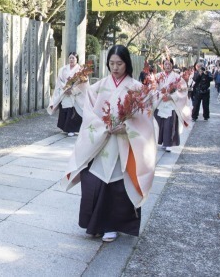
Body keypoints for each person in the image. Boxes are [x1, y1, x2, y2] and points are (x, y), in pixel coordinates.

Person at [61, 45, 156, 243]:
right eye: (111, 63)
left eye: (119, 63)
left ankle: (112, 225)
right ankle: (95, 224)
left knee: (118, 182)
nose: (115, 67)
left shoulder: (137, 89)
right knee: (95, 180)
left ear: (126, 64)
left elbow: (146, 121)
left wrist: (128, 127)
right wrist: (102, 126)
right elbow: (89, 113)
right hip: (102, 140)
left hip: (124, 142)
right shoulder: (99, 86)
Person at [154, 58, 190, 152]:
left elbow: (183, 89)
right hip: (161, 101)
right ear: (162, 65)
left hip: (171, 102)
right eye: (165, 64)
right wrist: (161, 94)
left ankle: (168, 143)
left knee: (169, 123)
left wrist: (172, 96)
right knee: (159, 123)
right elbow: (153, 88)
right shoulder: (157, 76)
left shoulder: (177, 77)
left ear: (172, 65)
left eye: (169, 64)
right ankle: (161, 142)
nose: (167, 66)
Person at [49, 52, 83, 136]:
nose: (71, 60)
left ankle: (72, 129)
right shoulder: (63, 69)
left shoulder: (80, 70)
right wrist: (66, 88)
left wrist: (73, 90)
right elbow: (60, 81)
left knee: (73, 111)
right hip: (65, 91)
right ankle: (65, 128)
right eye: (70, 58)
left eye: (73, 58)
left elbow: (83, 83)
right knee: (65, 109)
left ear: (77, 59)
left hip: (74, 93)